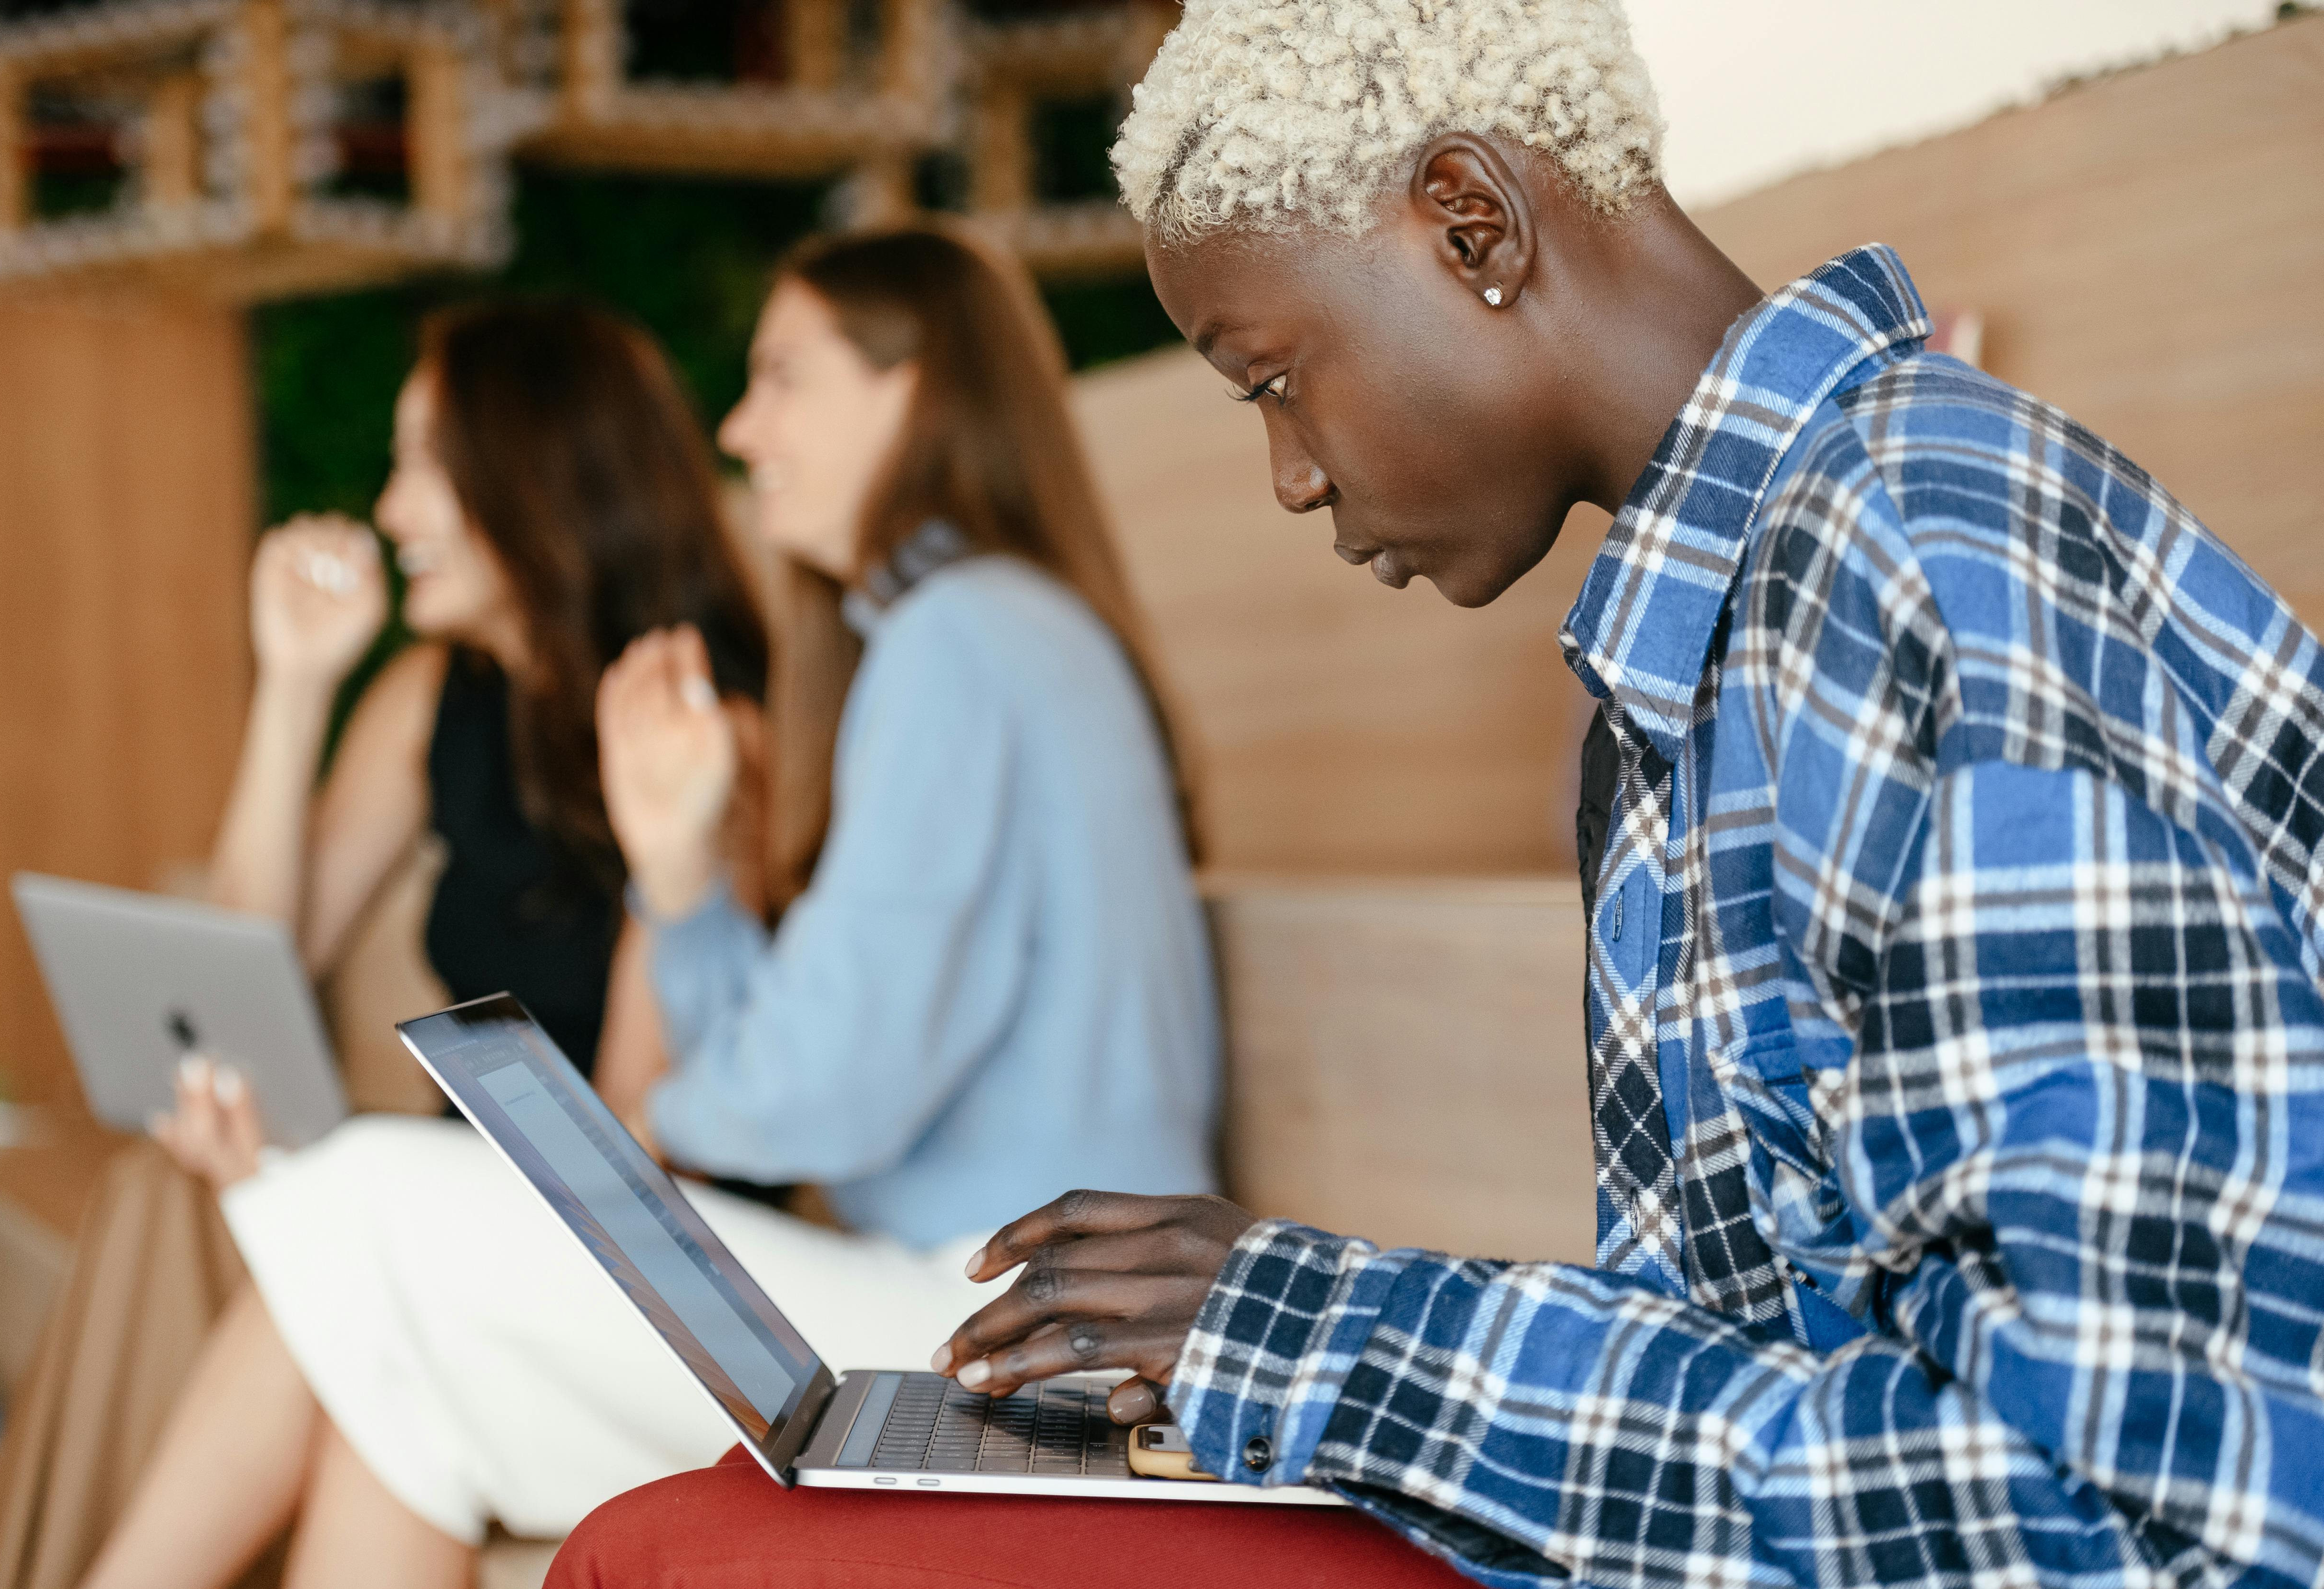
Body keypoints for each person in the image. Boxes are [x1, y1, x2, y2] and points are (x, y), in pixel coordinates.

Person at [549, 3, 2324, 1587]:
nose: (1290, 477)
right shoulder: (1716, 625)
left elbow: (2124, 1513)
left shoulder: (1922, 562)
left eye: (1274, 378)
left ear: (1472, 226)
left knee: (685, 1556)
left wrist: (1334, 1331)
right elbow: (1759, 1343)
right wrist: (1290, 1309)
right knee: (713, 1528)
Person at [75, 226, 1220, 1589]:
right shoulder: (989, 631)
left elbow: (827, 1094)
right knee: (402, 1389)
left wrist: (628, 1122)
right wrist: (679, 891)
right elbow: (830, 1052)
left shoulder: (960, 638)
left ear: (911, 387)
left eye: (784, 375)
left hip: (1012, 1352)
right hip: (1000, 1321)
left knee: (363, 1193)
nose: (741, 426)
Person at [0, 299, 771, 1589]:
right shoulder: (436, 693)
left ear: (537, 467)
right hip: (468, 1202)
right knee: (165, 1192)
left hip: (630, 1243)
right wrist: (291, 686)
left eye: (423, 464)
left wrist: (328, 1192)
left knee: (312, 1269)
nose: (392, 514)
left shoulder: (697, 727)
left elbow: (632, 1149)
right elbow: (242, 968)